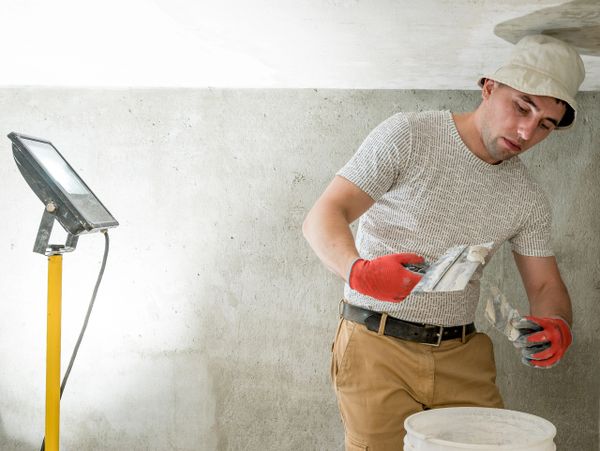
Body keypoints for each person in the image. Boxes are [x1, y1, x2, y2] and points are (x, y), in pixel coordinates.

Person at [302, 34, 585, 450]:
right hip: (375, 347)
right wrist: (358, 272)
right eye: (522, 106)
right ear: (489, 87)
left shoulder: (527, 197)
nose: (526, 132)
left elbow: (545, 287)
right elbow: (323, 216)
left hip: (462, 355)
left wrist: (557, 324)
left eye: (544, 124)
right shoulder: (409, 135)